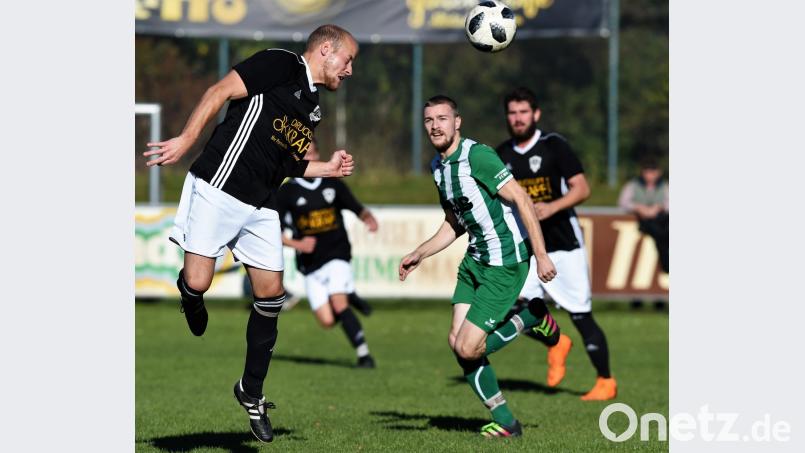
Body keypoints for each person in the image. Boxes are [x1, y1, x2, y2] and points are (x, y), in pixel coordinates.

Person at [142, 25, 359, 443]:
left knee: (271, 295)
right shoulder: (280, 63)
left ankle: (251, 391)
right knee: (199, 280)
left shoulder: (313, 106)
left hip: (261, 204)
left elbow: (288, 166)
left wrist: (327, 168)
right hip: (219, 186)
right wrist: (187, 139)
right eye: (347, 60)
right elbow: (219, 91)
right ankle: (190, 293)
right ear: (326, 50)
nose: (349, 70)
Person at [399, 95, 559, 438]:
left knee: (469, 347)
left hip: (505, 262)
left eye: (443, 118)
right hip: (475, 261)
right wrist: (420, 253)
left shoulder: (478, 156)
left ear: (458, 122)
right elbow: (454, 223)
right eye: (429, 120)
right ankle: (506, 423)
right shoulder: (438, 168)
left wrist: (541, 254)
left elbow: (521, 198)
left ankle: (531, 315)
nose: (435, 126)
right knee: (456, 341)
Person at [495, 86, 617, 401]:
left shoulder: (554, 146)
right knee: (516, 310)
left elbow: (582, 188)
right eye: (512, 113)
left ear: (535, 114)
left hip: (563, 243)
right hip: (528, 247)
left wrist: (551, 207)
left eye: (524, 112)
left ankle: (605, 381)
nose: (518, 118)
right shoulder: (502, 154)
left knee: (580, 313)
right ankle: (557, 342)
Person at [277, 139, 378, 368]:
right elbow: (275, 233)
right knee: (327, 320)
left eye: (312, 153)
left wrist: (367, 218)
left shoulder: (332, 184)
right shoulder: (287, 192)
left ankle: (364, 355)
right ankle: (349, 293)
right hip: (311, 264)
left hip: (337, 253)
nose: (308, 159)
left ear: (318, 154)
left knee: (338, 302)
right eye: (303, 155)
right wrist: (298, 245)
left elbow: (354, 206)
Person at [618, 155, 669, 310]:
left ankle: (659, 299)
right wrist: (639, 208)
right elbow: (623, 203)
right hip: (638, 231)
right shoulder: (633, 186)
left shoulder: (665, 186)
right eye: (647, 171)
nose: (650, 175)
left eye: (652, 171)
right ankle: (637, 299)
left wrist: (658, 208)